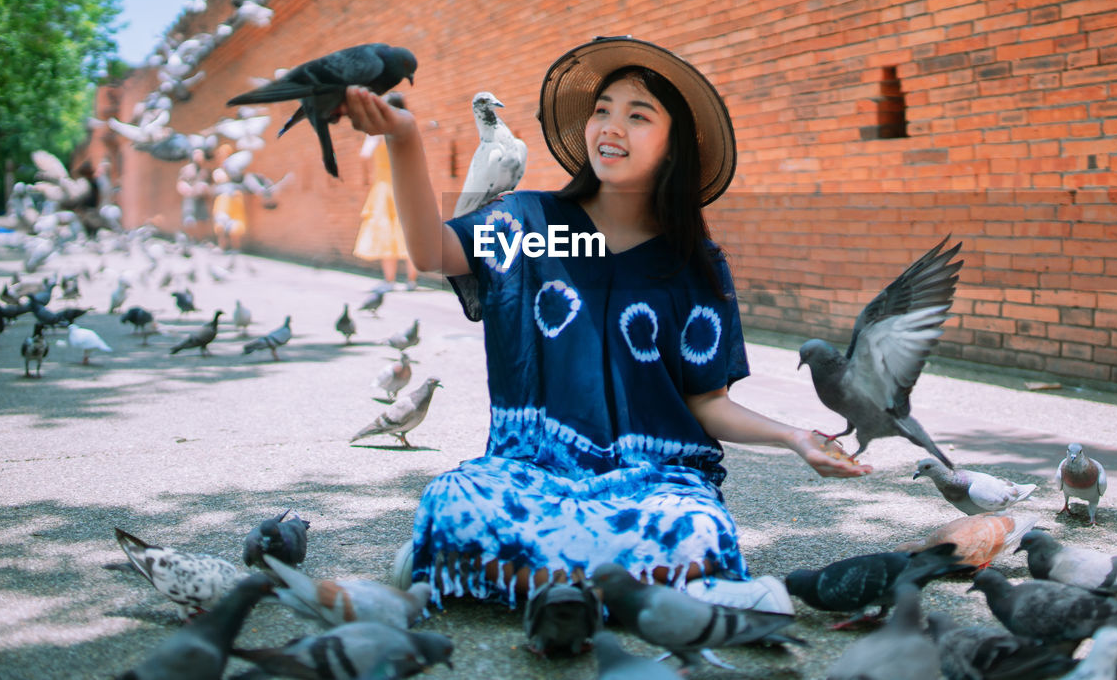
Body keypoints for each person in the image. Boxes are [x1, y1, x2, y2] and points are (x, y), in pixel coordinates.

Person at [336, 37, 869, 609]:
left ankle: (499, 577)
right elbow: (431, 251)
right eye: (602, 110)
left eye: (638, 116)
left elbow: (703, 401)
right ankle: (622, 592)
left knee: (696, 532)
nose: (610, 126)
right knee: (457, 501)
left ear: (674, 147)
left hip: (658, 479)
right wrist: (404, 137)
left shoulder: (694, 265)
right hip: (532, 471)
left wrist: (793, 437)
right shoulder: (530, 221)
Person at [353, 134, 420, 288]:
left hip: (386, 189)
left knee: (387, 233)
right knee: (408, 232)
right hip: (405, 185)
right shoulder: (403, 132)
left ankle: (390, 281)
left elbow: (365, 154)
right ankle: (411, 281)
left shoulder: (375, 135)